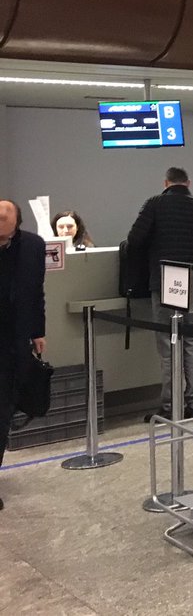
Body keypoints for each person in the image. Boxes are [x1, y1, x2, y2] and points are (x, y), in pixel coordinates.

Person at [126, 167, 193, 420]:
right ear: (188, 183)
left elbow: (134, 240)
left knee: (168, 343)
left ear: (166, 183)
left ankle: (171, 406)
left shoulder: (154, 204)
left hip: (165, 280)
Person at [0, 200, 47, 509]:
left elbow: (36, 291)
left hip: (13, 340)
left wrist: (38, 331)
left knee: (3, 408)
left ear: (16, 221)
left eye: (4, 217)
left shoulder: (32, 246)